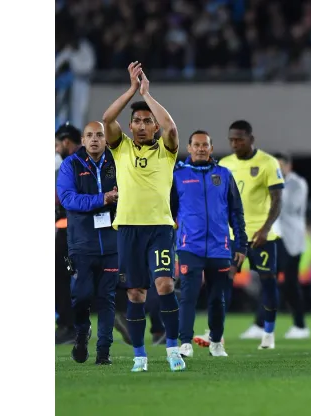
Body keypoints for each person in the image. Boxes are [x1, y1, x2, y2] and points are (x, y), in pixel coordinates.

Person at [102, 61, 184, 372]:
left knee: (163, 284)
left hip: (160, 228)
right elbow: (108, 118)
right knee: (135, 292)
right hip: (128, 229)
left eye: (147, 121)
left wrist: (148, 94)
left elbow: (172, 128)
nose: (140, 125)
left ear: (153, 127)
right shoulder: (120, 148)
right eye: (136, 121)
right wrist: (131, 90)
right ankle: (140, 356)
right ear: (131, 126)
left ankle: (173, 349)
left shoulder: (166, 150)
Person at [172, 131, 248, 358]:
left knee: (218, 298)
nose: (201, 148)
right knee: (188, 295)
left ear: (211, 149)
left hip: (219, 247)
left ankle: (216, 341)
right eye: (196, 145)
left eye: (205, 145)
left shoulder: (224, 175)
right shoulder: (178, 175)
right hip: (189, 247)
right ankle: (185, 342)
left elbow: (236, 212)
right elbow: (168, 212)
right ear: (189, 147)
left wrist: (241, 246)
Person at [56, 121, 119, 365]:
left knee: (107, 298)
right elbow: (68, 199)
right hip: (82, 245)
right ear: (82, 140)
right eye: (90, 135)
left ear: (106, 139)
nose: (94, 139)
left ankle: (104, 352)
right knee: (81, 297)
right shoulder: (70, 165)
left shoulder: (116, 163)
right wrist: (103, 198)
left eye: (99, 135)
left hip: (112, 243)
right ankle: (82, 334)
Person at [219, 120, 284, 350]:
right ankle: (216, 333)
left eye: (239, 139)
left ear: (251, 139)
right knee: (223, 281)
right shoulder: (224, 165)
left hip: (260, 236)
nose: (235, 144)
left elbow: (277, 199)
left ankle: (268, 333)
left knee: (267, 283)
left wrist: (266, 228)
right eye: (231, 140)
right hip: (233, 235)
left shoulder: (267, 162)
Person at [271, 152, 311, 339]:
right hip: (276, 238)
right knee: (268, 279)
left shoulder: (297, 183)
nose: (278, 170)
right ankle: (260, 323)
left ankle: (300, 325)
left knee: (289, 284)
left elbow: (288, 207)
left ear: (289, 166)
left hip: (292, 240)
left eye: (281, 166)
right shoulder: (273, 183)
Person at [55, 123, 83, 345]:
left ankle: (71, 325)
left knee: (62, 277)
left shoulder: (69, 165)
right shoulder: (89, 162)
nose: (55, 149)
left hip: (71, 230)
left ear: (65, 142)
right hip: (74, 229)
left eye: (57, 144)